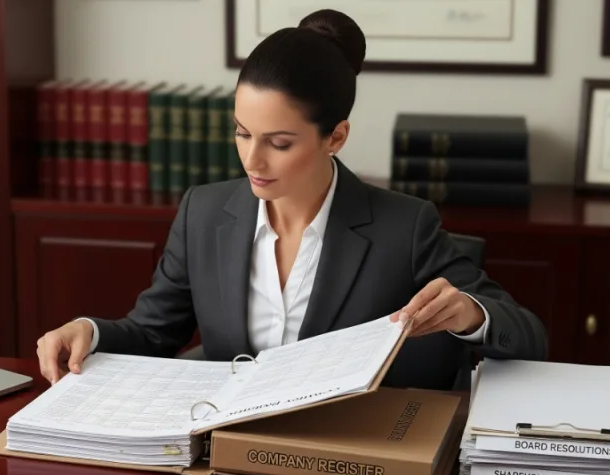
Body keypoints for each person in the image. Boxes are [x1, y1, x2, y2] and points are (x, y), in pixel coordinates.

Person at [36, 9, 548, 389]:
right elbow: (151, 335)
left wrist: (470, 314)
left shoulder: (404, 227)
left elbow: (528, 333)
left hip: (349, 468)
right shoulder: (204, 213)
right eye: (241, 134)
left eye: (279, 143)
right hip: (226, 460)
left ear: (336, 137)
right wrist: (87, 330)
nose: (252, 161)